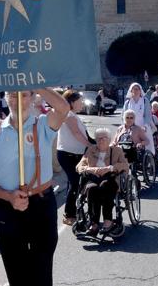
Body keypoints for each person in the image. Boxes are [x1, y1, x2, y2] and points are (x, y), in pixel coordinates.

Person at [0, 88, 69, 286]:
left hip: (42, 204)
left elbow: (63, 107)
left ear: (32, 98)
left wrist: (33, 81)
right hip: (8, 207)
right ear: (6, 98)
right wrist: (8, 196)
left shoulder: (42, 124)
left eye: (24, 94)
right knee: (17, 275)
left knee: (41, 273)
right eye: (13, 95)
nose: (18, 100)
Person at [76, 128, 129, 236]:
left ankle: (108, 221)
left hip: (111, 178)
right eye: (99, 138)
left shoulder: (116, 150)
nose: (101, 140)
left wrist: (110, 168)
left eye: (104, 138)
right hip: (94, 178)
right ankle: (94, 224)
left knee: (105, 187)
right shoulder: (91, 150)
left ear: (109, 139)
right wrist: (90, 169)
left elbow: (125, 165)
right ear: (95, 140)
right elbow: (79, 166)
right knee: (91, 189)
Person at [57, 90, 93, 226]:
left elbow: (83, 135)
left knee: (73, 183)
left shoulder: (73, 115)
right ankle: (69, 215)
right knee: (75, 182)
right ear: (72, 103)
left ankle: (72, 211)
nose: (82, 103)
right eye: (80, 101)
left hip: (73, 154)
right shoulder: (69, 116)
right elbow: (77, 134)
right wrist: (90, 145)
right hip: (67, 155)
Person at [122, 82, 156, 155]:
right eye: (134, 89)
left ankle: (150, 159)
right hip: (130, 126)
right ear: (131, 91)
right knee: (129, 144)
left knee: (147, 144)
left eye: (137, 89)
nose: (136, 91)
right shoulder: (127, 102)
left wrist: (145, 125)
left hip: (143, 125)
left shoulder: (144, 101)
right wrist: (125, 126)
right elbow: (123, 115)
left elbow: (148, 115)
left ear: (140, 91)